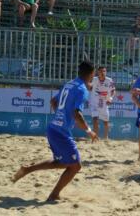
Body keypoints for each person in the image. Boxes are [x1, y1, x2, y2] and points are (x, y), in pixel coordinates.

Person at [12, 61, 99, 201]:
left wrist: (60, 116)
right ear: (91, 74)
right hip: (60, 133)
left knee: (64, 163)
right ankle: (53, 195)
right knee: (75, 166)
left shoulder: (69, 84)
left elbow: (53, 101)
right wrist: (89, 131)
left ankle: (27, 169)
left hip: (53, 128)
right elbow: (77, 114)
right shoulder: (82, 90)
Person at [90, 66, 115, 140]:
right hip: (94, 102)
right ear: (98, 72)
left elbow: (113, 90)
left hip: (104, 103)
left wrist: (110, 98)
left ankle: (106, 137)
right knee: (95, 119)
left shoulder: (109, 80)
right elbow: (88, 86)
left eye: (104, 71)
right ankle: (95, 137)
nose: (103, 73)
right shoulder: (94, 79)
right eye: (101, 71)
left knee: (106, 122)